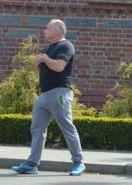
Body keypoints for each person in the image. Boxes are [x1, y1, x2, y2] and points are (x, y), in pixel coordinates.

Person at [11, 19, 85, 176]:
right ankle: (32, 164)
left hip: (60, 93)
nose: (44, 31)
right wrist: (37, 64)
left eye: (47, 28)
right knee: (37, 128)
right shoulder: (49, 48)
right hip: (44, 95)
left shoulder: (66, 46)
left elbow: (59, 66)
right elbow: (41, 73)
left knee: (66, 126)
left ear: (56, 31)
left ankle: (78, 162)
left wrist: (45, 59)